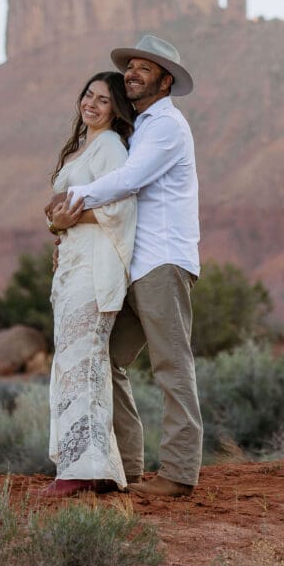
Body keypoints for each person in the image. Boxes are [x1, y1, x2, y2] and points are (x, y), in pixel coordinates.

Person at [47, 34, 202, 499]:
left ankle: (178, 473)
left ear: (166, 80)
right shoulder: (144, 128)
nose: (133, 73)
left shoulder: (167, 127)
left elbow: (130, 181)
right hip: (131, 264)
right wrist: (68, 227)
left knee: (172, 364)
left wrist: (69, 206)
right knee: (108, 358)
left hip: (162, 261)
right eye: (130, 66)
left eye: (144, 68)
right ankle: (127, 465)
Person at [42, 71, 138, 498]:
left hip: (96, 268)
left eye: (104, 99)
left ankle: (79, 471)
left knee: (84, 360)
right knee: (75, 361)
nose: (92, 104)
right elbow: (58, 210)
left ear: (117, 108)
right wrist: (58, 228)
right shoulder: (83, 150)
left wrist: (66, 219)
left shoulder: (112, 148)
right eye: (88, 95)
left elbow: (120, 208)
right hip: (73, 265)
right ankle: (92, 465)